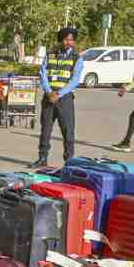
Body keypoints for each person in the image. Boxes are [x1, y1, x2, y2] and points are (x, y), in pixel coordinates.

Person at [33, 27, 84, 167]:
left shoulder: (77, 57)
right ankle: (42, 158)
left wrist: (59, 94)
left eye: (71, 40)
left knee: (68, 131)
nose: (69, 42)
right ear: (61, 40)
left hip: (65, 98)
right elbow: (43, 73)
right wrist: (49, 92)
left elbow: (75, 80)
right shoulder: (50, 55)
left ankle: (69, 161)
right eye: (66, 39)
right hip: (49, 97)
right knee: (45, 130)